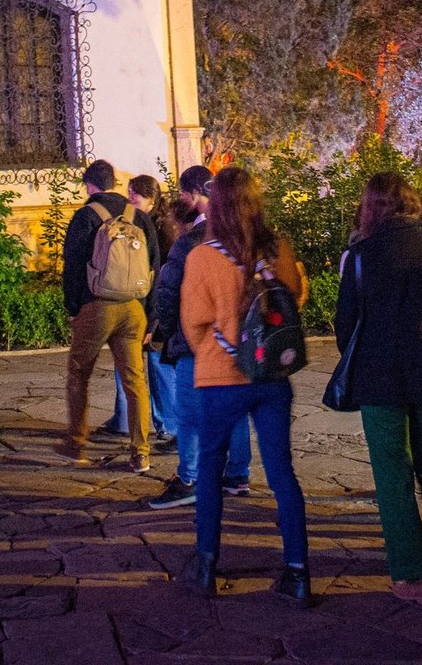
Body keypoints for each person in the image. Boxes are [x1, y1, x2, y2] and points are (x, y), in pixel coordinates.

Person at [340, 172, 422, 606]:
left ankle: (414, 577)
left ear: (371, 206)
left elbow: (347, 322)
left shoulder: (361, 253)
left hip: (380, 374)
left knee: (393, 475)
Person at [178, 166, 311, 606]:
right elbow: (295, 298)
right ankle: (296, 571)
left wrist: (221, 352)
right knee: (281, 473)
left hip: (221, 378)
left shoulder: (202, 257)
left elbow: (194, 323)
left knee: (211, 471)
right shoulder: (277, 249)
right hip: (272, 377)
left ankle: (206, 563)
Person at [146, 168, 252, 510]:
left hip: (198, 342)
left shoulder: (191, 242)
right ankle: (237, 475)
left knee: (190, 414)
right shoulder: (252, 239)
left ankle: (190, 477)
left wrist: (171, 329)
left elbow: (167, 293)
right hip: (239, 341)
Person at [57, 159, 159, 471]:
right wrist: (150, 316)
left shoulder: (86, 216)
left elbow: (72, 267)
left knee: (79, 374)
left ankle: (77, 445)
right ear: (114, 183)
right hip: (133, 309)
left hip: (96, 306)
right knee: (135, 382)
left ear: (89, 185)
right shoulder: (138, 216)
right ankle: (141, 452)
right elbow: (155, 265)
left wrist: (74, 308)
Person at [101, 174, 181, 445]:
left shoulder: (161, 228)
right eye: (130, 193)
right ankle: (124, 419)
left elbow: (162, 274)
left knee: (158, 366)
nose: (130, 198)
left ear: (150, 198)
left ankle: (168, 423)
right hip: (134, 302)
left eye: (135, 194)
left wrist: (155, 317)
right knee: (126, 362)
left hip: (154, 307)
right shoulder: (131, 222)